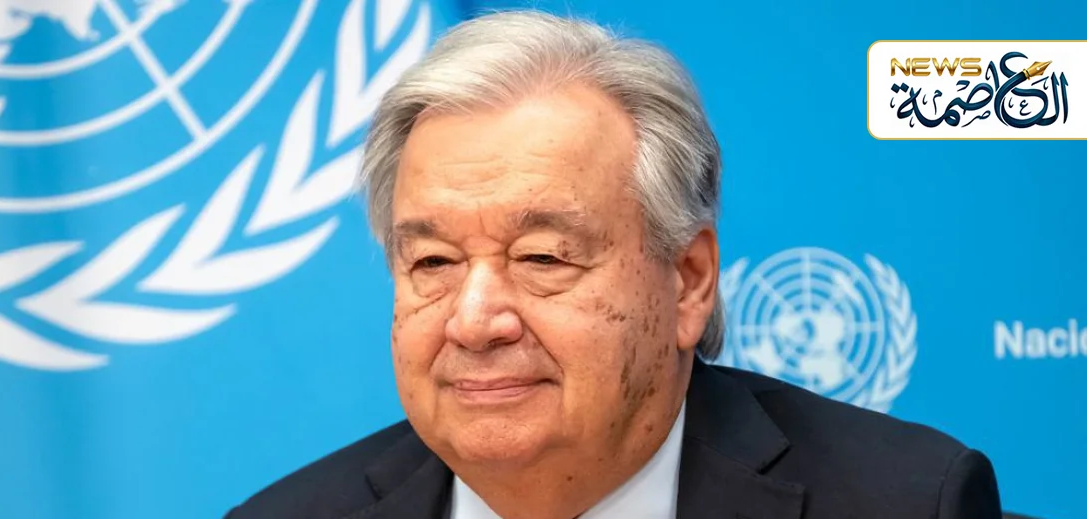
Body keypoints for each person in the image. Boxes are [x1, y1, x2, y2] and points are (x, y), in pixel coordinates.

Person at [226, 9, 1002, 519]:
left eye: (542, 256)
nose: (474, 319)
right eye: (433, 260)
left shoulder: (903, 501)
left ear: (688, 280)